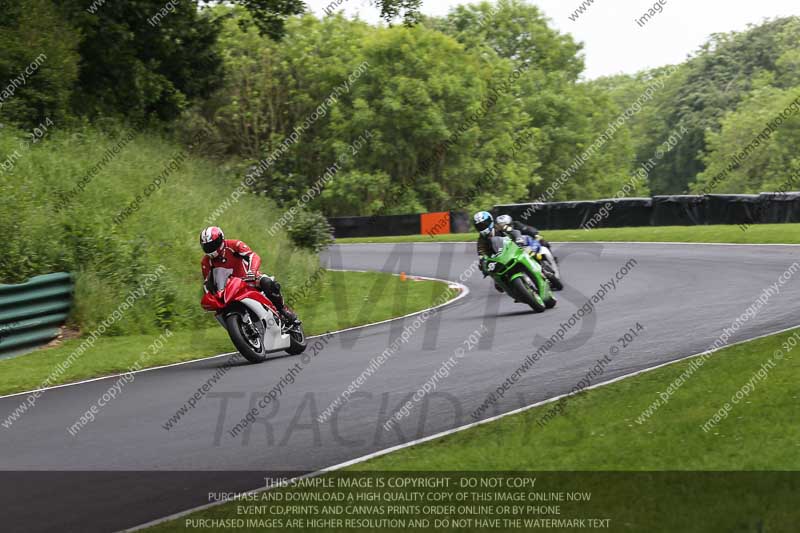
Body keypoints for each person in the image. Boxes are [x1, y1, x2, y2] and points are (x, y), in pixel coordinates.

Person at [200, 227, 298, 325]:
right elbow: (207, 282)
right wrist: (209, 297)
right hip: (228, 290)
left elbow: (253, 256)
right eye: (207, 246)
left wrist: (252, 271)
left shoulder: (234, 245)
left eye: (213, 244)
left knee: (267, 283)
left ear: (221, 239)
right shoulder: (206, 262)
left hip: (248, 279)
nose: (210, 248)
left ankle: (283, 310)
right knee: (220, 309)